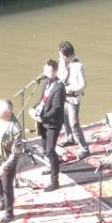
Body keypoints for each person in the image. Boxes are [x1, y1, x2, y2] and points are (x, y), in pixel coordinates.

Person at [29, 59, 66, 192]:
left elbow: (55, 108)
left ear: (55, 71)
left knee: (50, 150)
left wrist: (41, 117)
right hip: (43, 120)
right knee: (44, 148)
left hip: (53, 123)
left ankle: (55, 181)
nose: (47, 73)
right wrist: (33, 109)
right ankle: (51, 167)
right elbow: (42, 101)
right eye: (45, 70)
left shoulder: (59, 87)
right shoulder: (46, 83)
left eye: (49, 71)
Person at [57, 41, 90, 159]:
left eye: (62, 56)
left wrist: (72, 90)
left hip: (73, 98)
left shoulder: (78, 65)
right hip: (63, 96)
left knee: (74, 123)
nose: (60, 58)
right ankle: (69, 138)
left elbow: (83, 84)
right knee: (64, 119)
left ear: (68, 56)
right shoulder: (62, 63)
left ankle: (84, 148)